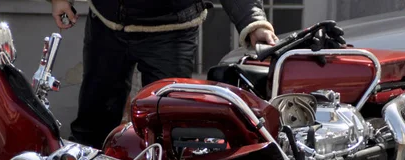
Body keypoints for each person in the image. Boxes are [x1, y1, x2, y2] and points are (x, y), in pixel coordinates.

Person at [49, 0, 278, 149]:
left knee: (167, 130)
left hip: (172, 34)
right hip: (106, 25)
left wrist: (253, 21)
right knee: (93, 123)